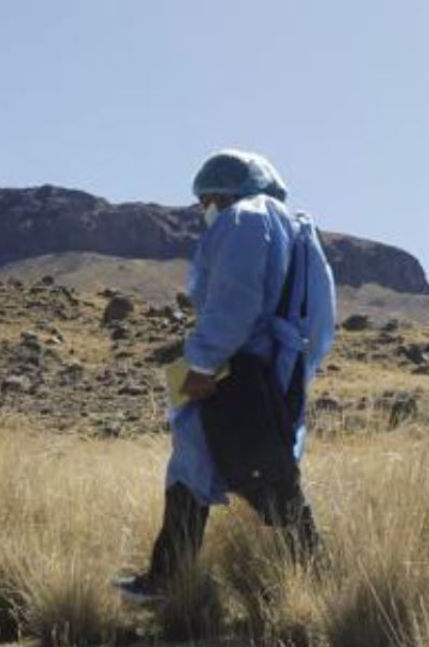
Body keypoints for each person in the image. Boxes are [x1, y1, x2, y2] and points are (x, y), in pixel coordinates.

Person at [118, 149, 336, 603]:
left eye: (205, 200)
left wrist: (200, 363)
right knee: (239, 467)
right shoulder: (292, 226)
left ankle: (315, 577)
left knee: (245, 468)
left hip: (234, 369)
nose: (204, 210)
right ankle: (171, 578)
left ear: (225, 190)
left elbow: (233, 301)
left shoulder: (245, 219)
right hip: (269, 370)